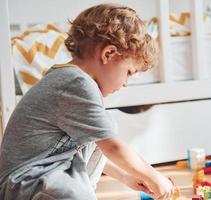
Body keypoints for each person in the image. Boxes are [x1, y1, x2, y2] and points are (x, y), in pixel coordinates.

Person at [0, 4, 175, 200]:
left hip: (47, 171)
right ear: (108, 54)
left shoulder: (70, 79)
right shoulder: (76, 83)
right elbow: (113, 148)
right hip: (27, 182)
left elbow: (95, 144)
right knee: (75, 185)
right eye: (128, 73)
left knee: (102, 128)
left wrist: (126, 176)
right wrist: (154, 176)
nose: (126, 83)